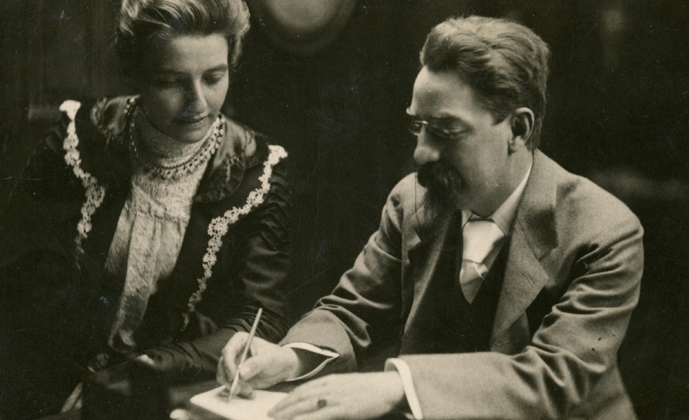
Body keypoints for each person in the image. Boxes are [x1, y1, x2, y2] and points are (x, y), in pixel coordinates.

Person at [217, 15, 644, 420]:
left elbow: (553, 378)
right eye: (417, 127)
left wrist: (398, 386)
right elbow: (352, 312)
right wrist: (288, 357)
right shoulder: (414, 200)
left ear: (518, 129)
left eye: (444, 131)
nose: (421, 153)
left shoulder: (604, 232)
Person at [0, 0, 290, 417]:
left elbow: (258, 315)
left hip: (173, 390)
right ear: (138, 74)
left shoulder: (255, 168)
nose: (198, 102)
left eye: (214, 77)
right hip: (50, 387)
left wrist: (140, 371)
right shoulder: (78, 138)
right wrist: (61, 382)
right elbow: (15, 277)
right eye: (171, 81)